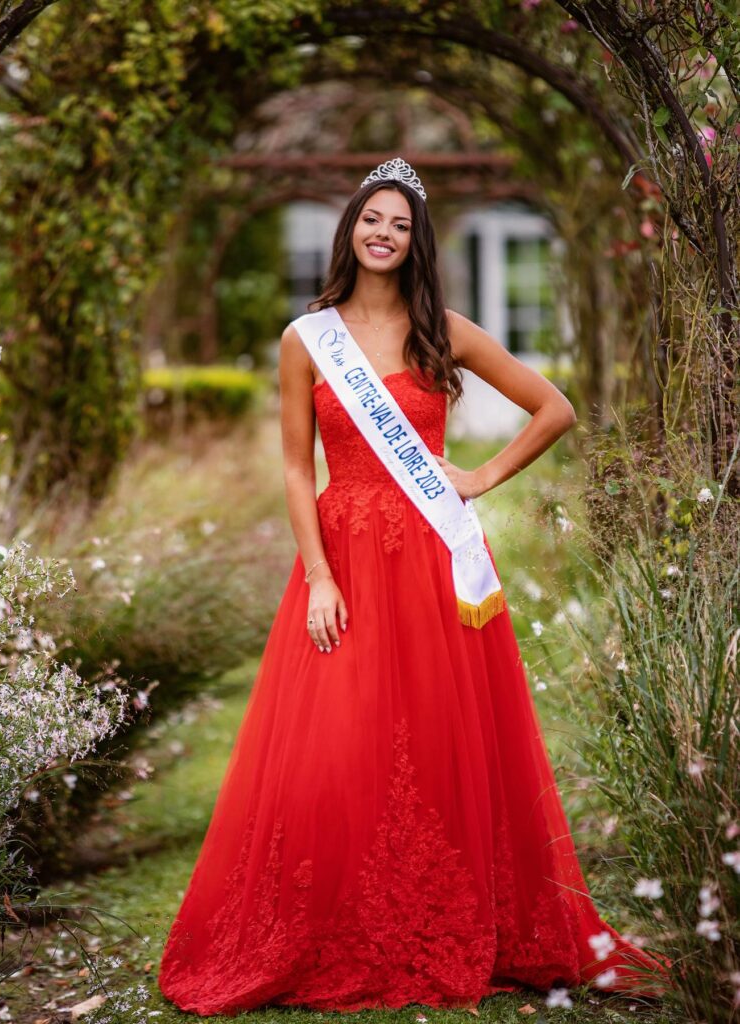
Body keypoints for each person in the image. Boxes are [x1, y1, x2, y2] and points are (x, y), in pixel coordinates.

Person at [157, 157, 671, 1015]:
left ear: (415, 240)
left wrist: (479, 477)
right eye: (372, 219)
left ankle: (434, 917)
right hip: (344, 555)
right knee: (339, 741)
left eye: (399, 224)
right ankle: (342, 923)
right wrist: (318, 576)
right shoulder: (306, 338)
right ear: (350, 229)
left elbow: (554, 409)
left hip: (432, 556)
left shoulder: (445, 330)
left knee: (434, 736)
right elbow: (296, 468)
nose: (384, 234)